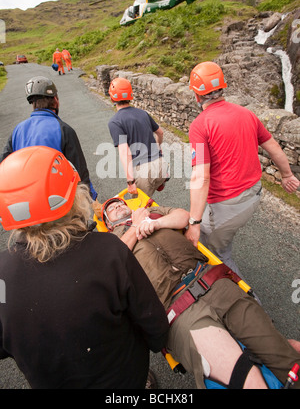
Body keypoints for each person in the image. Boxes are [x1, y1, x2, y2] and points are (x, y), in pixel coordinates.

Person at [0, 146, 169, 389]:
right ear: (73, 196)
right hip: (125, 380)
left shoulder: (2, 274)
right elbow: (156, 327)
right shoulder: (109, 251)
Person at [101, 196, 300, 389]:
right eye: (111, 208)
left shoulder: (151, 212)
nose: (118, 205)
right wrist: (136, 226)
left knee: (281, 354)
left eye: (119, 202)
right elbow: (113, 264)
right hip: (177, 309)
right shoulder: (110, 241)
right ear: (109, 224)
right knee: (242, 380)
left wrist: (156, 223)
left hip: (212, 281)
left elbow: (183, 215)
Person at [185, 61, 300, 277]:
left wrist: (194, 221)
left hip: (227, 204)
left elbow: (201, 176)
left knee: (215, 253)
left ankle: (247, 302)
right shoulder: (246, 114)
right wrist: (287, 175)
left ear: (197, 95)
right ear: (222, 88)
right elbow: (273, 147)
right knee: (222, 241)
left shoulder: (200, 125)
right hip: (253, 195)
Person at [0, 76, 100, 214]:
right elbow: (79, 171)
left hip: (26, 205)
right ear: (55, 100)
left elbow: (4, 166)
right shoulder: (64, 129)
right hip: (58, 202)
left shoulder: (17, 130)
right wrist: (92, 198)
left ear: (33, 104)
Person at [108, 77, 169, 197]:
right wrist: (158, 146)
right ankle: (159, 182)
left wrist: (130, 181)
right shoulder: (143, 113)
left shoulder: (115, 122)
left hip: (144, 171)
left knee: (139, 210)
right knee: (150, 195)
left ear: (112, 97)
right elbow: (160, 133)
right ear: (130, 95)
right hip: (161, 164)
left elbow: (125, 151)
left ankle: (153, 186)